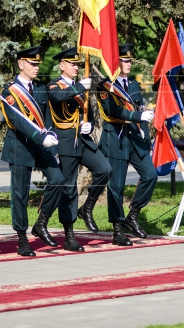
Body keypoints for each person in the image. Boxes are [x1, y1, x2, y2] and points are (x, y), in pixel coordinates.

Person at [0, 46, 65, 256]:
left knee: (58, 179)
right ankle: (21, 238)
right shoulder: (9, 91)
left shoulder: (40, 88)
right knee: (20, 193)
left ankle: (41, 223)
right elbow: (16, 120)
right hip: (20, 145)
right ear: (21, 64)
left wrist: (52, 141)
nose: (37, 67)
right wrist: (41, 137)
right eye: (32, 64)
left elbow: (46, 118)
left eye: (38, 64)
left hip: (42, 145)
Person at [47, 48, 113, 246]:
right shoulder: (54, 85)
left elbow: (89, 115)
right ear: (62, 66)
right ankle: (69, 232)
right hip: (66, 142)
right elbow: (58, 98)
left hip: (83, 141)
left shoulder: (79, 87)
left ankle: (87, 208)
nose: (76, 67)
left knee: (104, 170)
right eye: (72, 64)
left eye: (77, 64)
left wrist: (89, 125)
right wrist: (79, 89)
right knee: (69, 188)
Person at [97, 44, 156, 242]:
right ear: (116, 62)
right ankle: (117, 229)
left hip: (135, 139)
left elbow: (140, 108)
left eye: (130, 60)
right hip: (116, 139)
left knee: (150, 175)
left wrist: (146, 136)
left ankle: (133, 215)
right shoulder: (106, 86)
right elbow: (113, 111)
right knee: (117, 186)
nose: (129, 63)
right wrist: (138, 116)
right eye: (125, 60)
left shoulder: (133, 85)